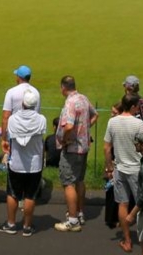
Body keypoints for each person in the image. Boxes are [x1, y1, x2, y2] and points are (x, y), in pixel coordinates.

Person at [0, 89, 45, 236]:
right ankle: (27, 226)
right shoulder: (41, 119)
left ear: (23, 103)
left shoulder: (13, 119)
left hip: (16, 162)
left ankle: (11, 224)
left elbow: (11, 135)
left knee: (12, 193)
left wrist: (5, 142)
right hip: (34, 164)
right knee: (30, 195)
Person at [106, 94, 143, 252]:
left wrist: (109, 167)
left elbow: (106, 148)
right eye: (136, 106)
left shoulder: (112, 121)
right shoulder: (138, 123)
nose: (138, 108)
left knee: (122, 204)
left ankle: (127, 240)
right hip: (136, 169)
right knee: (142, 205)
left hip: (120, 168)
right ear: (131, 107)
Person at [55, 75, 97, 232]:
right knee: (79, 180)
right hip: (83, 147)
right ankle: (79, 213)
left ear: (63, 88)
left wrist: (65, 140)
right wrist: (84, 130)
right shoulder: (83, 99)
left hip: (72, 148)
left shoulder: (70, 103)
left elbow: (68, 126)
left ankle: (72, 220)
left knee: (68, 182)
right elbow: (95, 115)